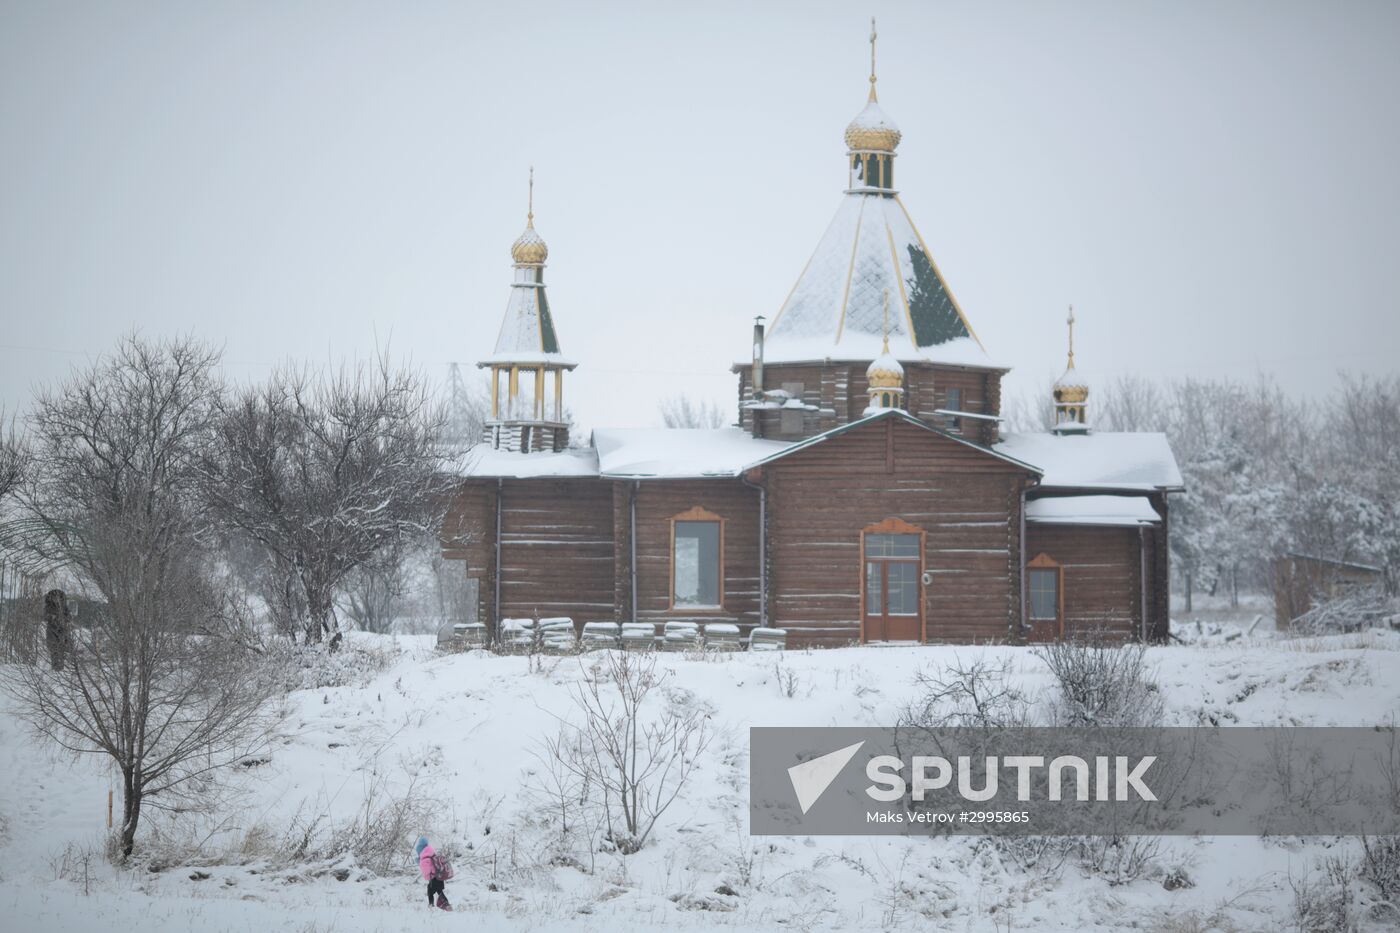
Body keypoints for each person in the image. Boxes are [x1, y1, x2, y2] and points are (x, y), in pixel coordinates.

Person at [415, 836, 451, 911]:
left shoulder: (424, 859)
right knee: (436, 891)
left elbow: (426, 871)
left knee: (433, 891)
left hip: (433, 878)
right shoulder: (431, 853)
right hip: (438, 876)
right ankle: (441, 905)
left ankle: (434, 905)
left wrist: (421, 863)